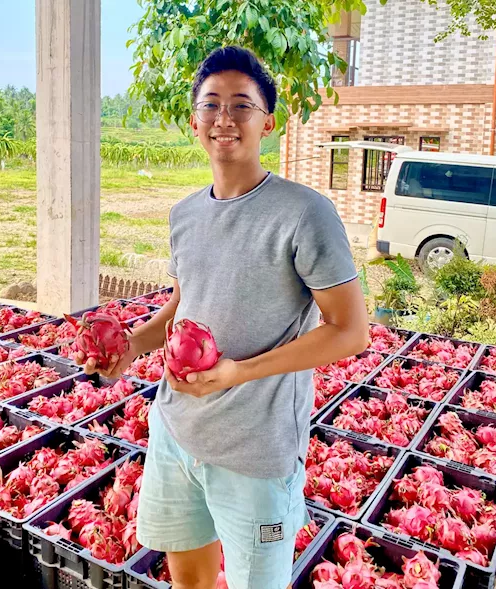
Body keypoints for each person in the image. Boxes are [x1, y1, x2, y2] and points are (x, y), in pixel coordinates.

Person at [77, 46, 368, 589]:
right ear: (194, 121)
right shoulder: (184, 214)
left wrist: (239, 372)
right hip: (176, 434)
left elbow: (350, 332)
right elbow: (184, 308)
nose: (225, 118)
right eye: (211, 104)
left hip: (255, 451)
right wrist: (129, 349)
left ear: (268, 122)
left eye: (242, 104)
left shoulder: (304, 213)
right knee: (189, 580)